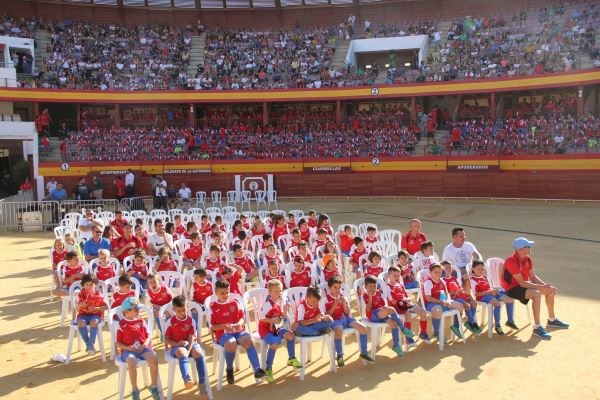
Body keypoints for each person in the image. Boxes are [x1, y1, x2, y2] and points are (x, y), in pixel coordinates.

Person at [502, 237, 569, 340]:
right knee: (536, 294)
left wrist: (546, 286)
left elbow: (532, 277)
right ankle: (537, 327)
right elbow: (522, 283)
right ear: (520, 249)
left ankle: (552, 319)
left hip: (523, 285)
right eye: (527, 246)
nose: (530, 247)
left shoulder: (527, 258)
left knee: (549, 291)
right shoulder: (511, 261)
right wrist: (541, 287)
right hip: (511, 288)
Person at [208, 280, 266, 384]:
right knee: (231, 344)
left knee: (248, 341)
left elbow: (242, 318)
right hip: (223, 334)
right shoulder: (212, 307)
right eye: (222, 293)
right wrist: (224, 326)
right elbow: (213, 327)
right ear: (216, 292)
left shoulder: (234, 302)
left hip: (238, 331)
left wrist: (239, 323)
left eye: (227, 292)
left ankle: (257, 370)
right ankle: (229, 369)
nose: (225, 295)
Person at [115, 297, 162, 400]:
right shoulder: (121, 324)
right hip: (128, 351)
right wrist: (128, 348)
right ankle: (135, 390)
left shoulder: (141, 321)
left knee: (154, 358)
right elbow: (118, 343)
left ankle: (153, 386)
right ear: (127, 312)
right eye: (135, 309)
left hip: (142, 349)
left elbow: (148, 336)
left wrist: (144, 345)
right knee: (132, 361)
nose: (138, 311)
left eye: (138, 309)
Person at [164, 295, 209, 398]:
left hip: (191, 344)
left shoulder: (191, 321)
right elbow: (167, 339)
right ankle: (187, 379)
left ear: (186, 308)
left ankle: (202, 384)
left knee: (199, 354)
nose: (182, 313)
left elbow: (192, 337)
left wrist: (189, 349)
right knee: (182, 352)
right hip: (176, 346)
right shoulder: (171, 322)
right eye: (179, 311)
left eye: (184, 310)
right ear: (174, 310)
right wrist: (178, 344)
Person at [258, 279, 302, 383]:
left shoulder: (280, 302)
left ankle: (291, 359)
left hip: (276, 328)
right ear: (270, 293)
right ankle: (268, 369)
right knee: (274, 344)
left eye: (280, 290)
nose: (279, 293)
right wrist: (272, 320)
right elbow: (261, 317)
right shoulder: (268, 304)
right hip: (265, 330)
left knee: (291, 336)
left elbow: (281, 318)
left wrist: (285, 310)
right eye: (276, 291)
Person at [325, 276, 374, 366]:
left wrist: (343, 303)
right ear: (329, 288)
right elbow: (327, 314)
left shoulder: (343, 297)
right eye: (335, 287)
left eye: (339, 287)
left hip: (346, 319)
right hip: (334, 321)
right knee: (339, 330)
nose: (338, 290)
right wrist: (334, 304)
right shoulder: (326, 299)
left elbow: (347, 312)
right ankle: (339, 356)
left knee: (363, 328)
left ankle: (364, 352)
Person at [362, 275, 415, 356]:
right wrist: (370, 298)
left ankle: (396, 345)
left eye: (374, 286)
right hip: (372, 315)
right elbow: (368, 309)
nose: (372, 288)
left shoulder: (379, 293)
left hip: (381, 314)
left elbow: (383, 305)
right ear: (365, 287)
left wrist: (385, 308)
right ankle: (403, 329)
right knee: (391, 309)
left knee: (394, 324)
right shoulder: (364, 296)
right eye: (370, 286)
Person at [386, 266, 431, 345]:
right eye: (394, 276)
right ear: (389, 276)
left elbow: (406, 295)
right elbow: (392, 301)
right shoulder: (388, 287)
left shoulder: (400, 284)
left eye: (398, 275)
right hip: (396, 307)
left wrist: (408, 300)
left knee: (423, 312)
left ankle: (423, 333)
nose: (397, 277)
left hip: (405, 304)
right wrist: (403, 301)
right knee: (407, 314)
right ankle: (408, 337)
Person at [470, 260, 516, 336]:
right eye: (478, 269)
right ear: (473, 269)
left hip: (490, 294)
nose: (481, 271)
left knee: (510, 300)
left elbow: (489, 288)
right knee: (497, 304)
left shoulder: (484, 277)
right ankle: (497, 325)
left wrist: (494, 290)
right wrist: (489, 292)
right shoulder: (472, 280)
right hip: (482, 296)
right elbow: (476, 294)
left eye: (482, 269)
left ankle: (510, 321)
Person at [76, 273, 107, 355]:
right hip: (83, 315)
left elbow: (105, 307)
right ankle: (89, 345)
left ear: (95, 285)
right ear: (83, 285)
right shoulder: (81, 295)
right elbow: (77, 310)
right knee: (81, 323)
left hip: (95, 314)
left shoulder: (98, 294)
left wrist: (96, 308)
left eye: (91, 284)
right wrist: (80, 305)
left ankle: (90, 345)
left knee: (94, 322)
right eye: (86, 284)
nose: (89, 286)